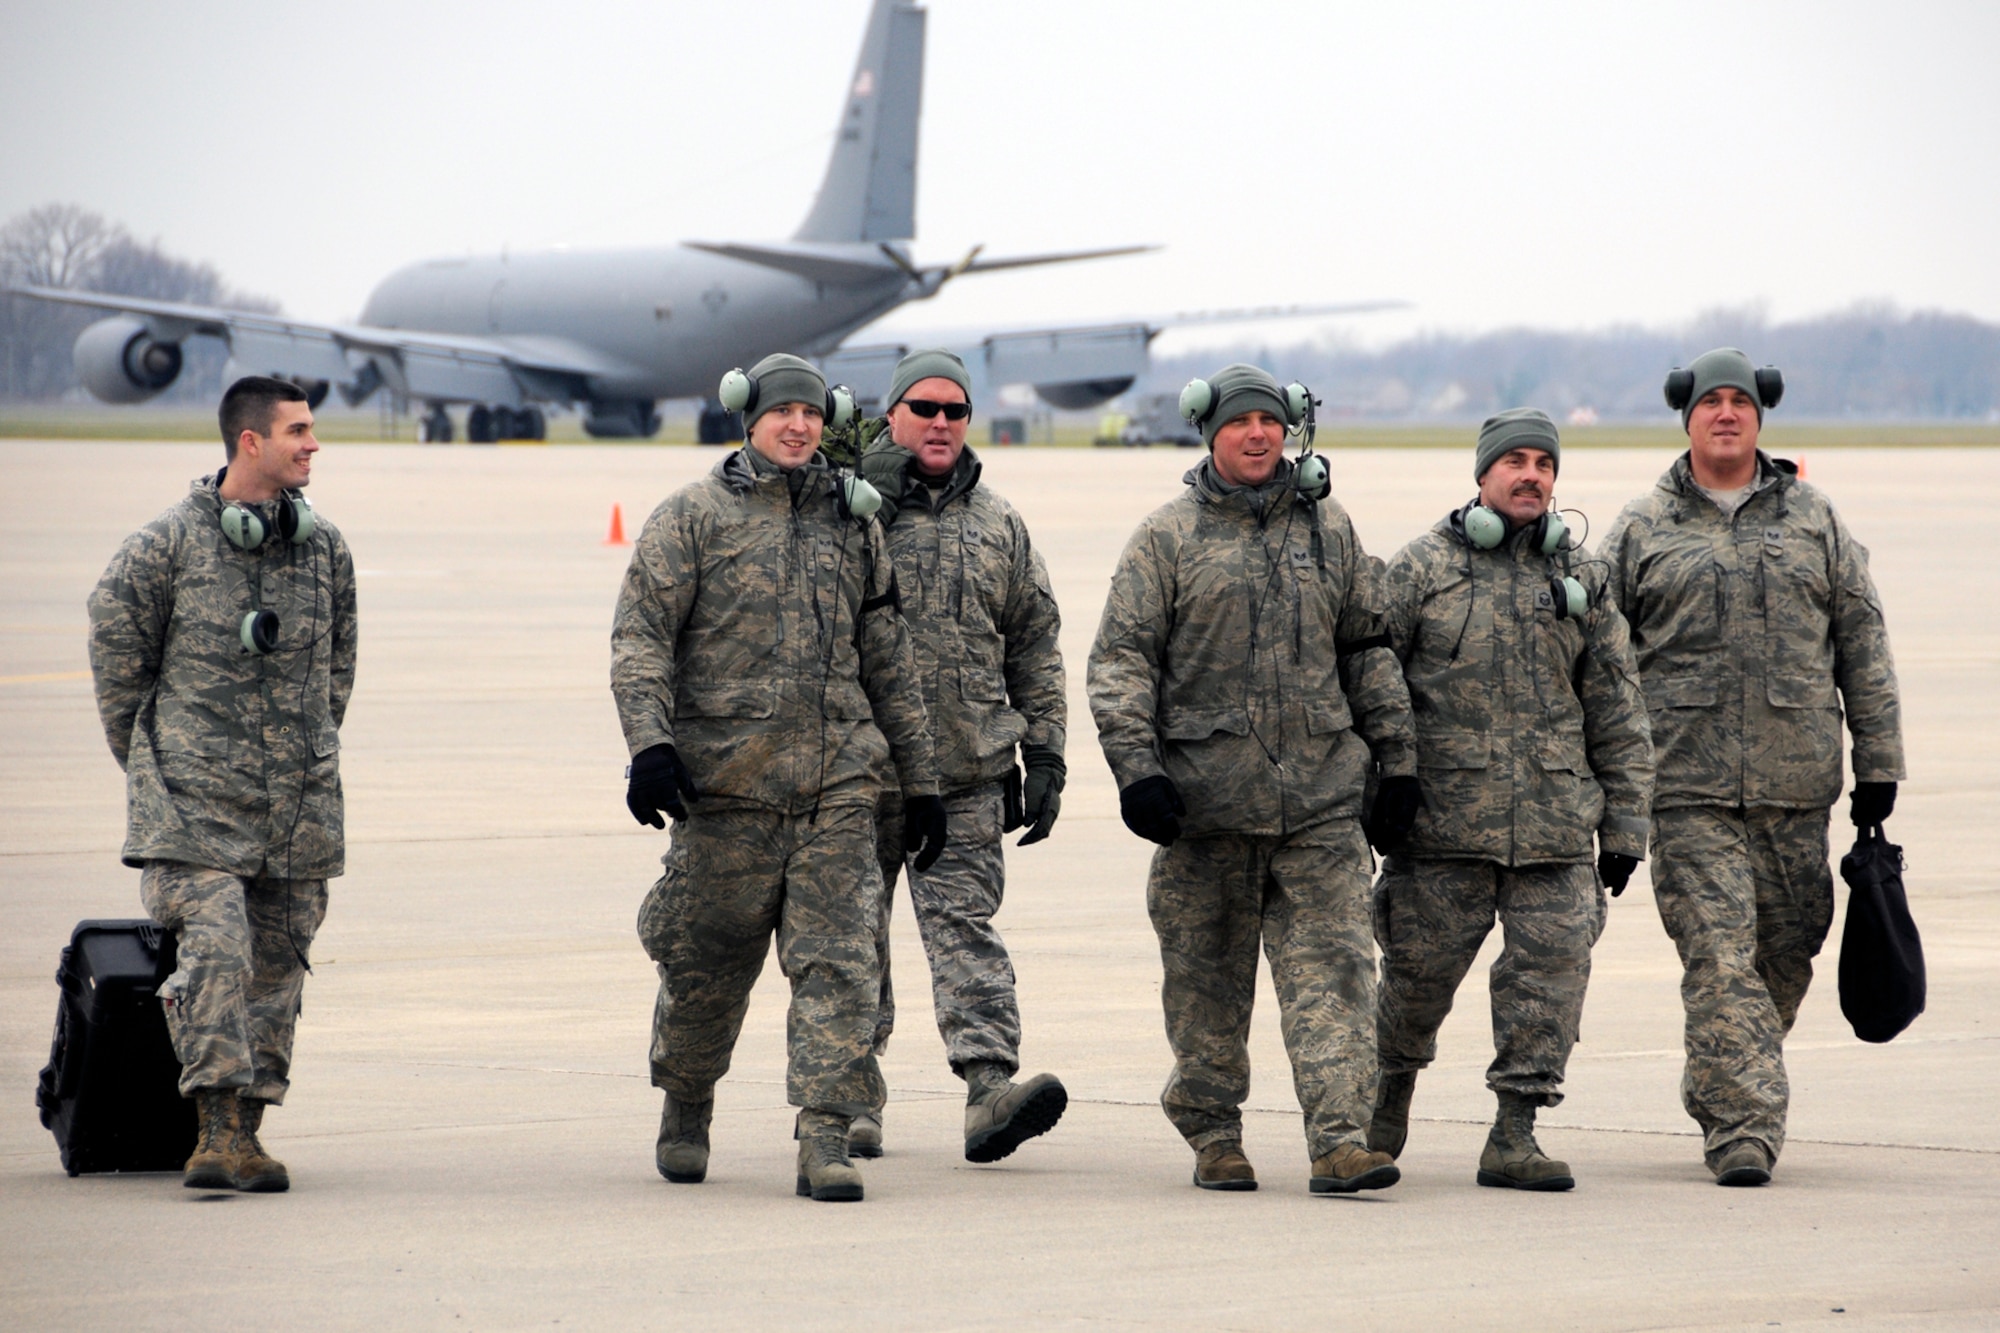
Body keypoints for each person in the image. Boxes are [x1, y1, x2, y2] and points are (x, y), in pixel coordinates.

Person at [611, 352, 946, 1203]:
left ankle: (825, 1134)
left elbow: (889, 663)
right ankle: (686, 1102)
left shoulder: (854, 522)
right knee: (705, 967)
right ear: (746, 416)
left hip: (839, 786)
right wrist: (650, 744)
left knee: (840, 965)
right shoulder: (691, 518)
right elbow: (641, 638)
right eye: (781, 412)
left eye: (809, 412)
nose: (797, 426)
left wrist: (921, 781)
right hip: (724, 790)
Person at [1087, 363, 1416, 1194]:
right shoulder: (1166, 538)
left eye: (1271, 421)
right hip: (1204, 813)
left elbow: (1367, 648)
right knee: (1205, 993)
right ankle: (1213, 1134)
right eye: (1241, 423)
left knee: (1339, 977)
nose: (1259, 435)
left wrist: (1398, 761)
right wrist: (1138, 772)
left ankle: (1341, 1140)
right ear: (1210, 430)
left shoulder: (1328, 530)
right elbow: (1122, 661)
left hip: (1320, 809)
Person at [1602, 348, 1905, 1186]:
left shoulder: (1815, 518)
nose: (1726, 414)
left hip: (1796, 784)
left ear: (1760, 417)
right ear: (1688, 418)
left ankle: (1721, 1069)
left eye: (1740, 401)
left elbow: (1863, 641)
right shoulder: (1640, 527)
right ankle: (1742, 1128)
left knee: (1788, 948)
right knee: (1720, 956)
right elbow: (1598, 660)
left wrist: (1878, 761)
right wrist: (1612, 789)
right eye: (1711, 403)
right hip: (1685, 787)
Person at [1369, 408, 1654, 1190]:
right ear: (1482, 474)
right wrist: (1379, 788)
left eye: (1544, 463)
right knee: (1413, 984)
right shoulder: (1420, 569)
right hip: (1441, 833)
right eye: (1516, 461)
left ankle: (1514, 1133)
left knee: (1549, 984)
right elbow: (1369, 685)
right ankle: (1386, 1095)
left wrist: (1627, 823)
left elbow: (1619, 707)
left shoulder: (1583, 579)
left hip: (1558, 832)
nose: (1532, 475)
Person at [87, 375, 358, 1193]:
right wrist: (159, 765)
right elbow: (118, 669)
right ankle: (212, 1125)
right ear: (250, 441)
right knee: (216, 954)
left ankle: (248, 1130)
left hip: (295, 813)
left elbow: (337, 669)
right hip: (193, 812)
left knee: (277, 971)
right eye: (298, 431)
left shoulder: (324, 549)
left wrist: (302, 754)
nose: (313, 444)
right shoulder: (163, 547)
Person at [847, 349, 1070, 1163]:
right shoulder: (848, 510)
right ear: (890, 414)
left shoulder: (998, 524)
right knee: (847, 942)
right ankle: (846, 1100)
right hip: (859, 775)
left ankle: (988, 1091)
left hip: (969, 773)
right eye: (924, 408)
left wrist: (1045, 752)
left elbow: (1035, 643)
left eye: (955, 411)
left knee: (968, 935)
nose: (941, 423)